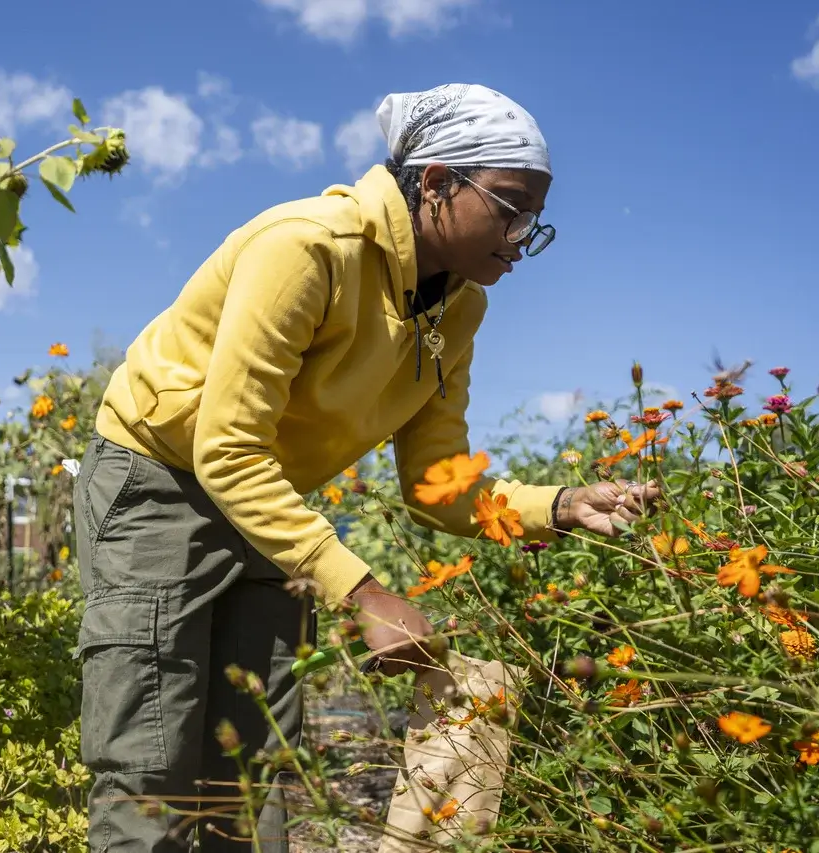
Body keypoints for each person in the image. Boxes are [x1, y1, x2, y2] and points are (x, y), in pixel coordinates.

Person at [72, 82, 661, 852]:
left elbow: (434, 478)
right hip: (160, 480)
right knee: (150, 766)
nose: (523, 235)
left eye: (535, 218)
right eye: (512, 206)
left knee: (248, 768)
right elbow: (224, 445)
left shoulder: (458, 307)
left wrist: (559, 503)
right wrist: (363, 593)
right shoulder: (310, 248)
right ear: (438, 184)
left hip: (265, 504)